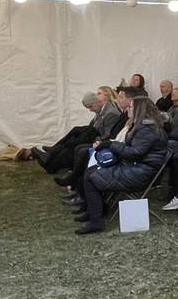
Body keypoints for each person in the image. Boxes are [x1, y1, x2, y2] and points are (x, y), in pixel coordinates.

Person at [70, 96, 168, 234]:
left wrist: (111, 144)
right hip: (135, 168)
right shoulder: (146, 127)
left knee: (91, 177)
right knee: (91, 172)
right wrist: (111, 145)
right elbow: (134, 150)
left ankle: (96, 220)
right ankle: (95, 213)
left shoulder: (147, 129)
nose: (128, 108)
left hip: (139, 173)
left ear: (140, 110)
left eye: (132, 106)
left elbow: (135, 153)